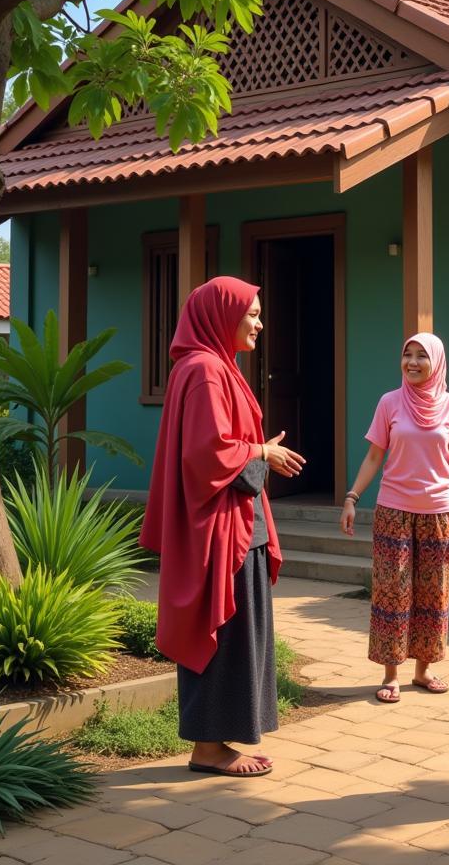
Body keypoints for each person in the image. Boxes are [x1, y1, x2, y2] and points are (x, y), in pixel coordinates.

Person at [140, 276, 305, 777]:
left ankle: (219, 741)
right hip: (220, 530)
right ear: (222, 315)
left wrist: (257, 449)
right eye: (251, 313)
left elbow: (221, 443)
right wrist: (261, 451)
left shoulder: (215, 366)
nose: (259, 322)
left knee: (238, 633)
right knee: (223, 630)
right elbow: (206, 453)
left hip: (236, 524)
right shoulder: (206, 370)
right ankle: (208, 749)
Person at [340, 333, 449, 703]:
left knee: (433, 594)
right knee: (392, 591)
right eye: (406, 355)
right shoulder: (389, 402)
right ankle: (391, 674)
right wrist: (352, 497)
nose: (412, 363)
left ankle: (424, 670)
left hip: (439, 512)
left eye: (421, 356)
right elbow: (373, 456)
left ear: (437, 363)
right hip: (393, 511)